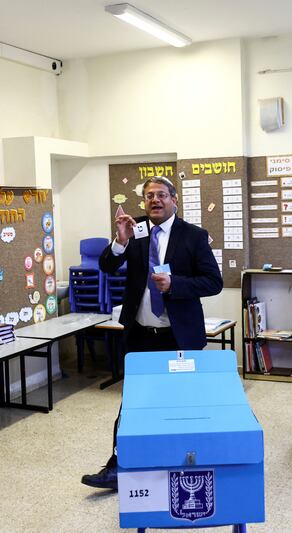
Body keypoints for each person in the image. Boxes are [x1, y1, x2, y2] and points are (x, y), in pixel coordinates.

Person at [81, 175, 223, 491]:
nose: (154, 200)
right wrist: (119, 240)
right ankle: (118, 465)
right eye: (149, 196)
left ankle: (185, 464)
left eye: (161, 194)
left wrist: (177, 285)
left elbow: (214, 282)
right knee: (132, 403)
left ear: (174, 200)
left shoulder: (194, 236)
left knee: (182, 402)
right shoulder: (135, 231)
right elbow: (106, 266)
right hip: (141, 334)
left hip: (179, 336)